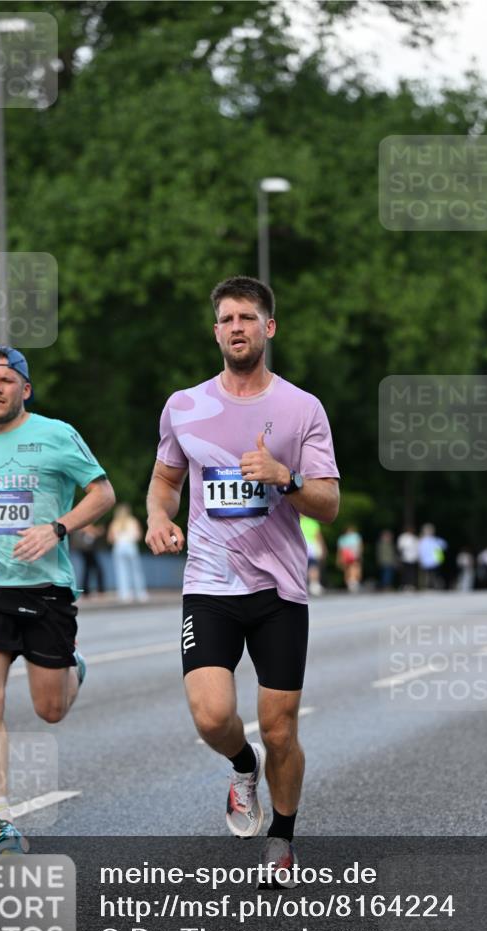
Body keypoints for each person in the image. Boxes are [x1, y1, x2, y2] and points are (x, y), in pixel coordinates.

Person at [145, 276, 339, 882]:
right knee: (210, 715)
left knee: (282, 730)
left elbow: (328, 503)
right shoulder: (185, 406)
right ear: (216, 331)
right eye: (227, 318)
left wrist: (284, 476)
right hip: (210, 583)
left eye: (248, 318)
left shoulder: (301, 408)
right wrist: (156, 517)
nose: (237, 327)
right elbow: (166, 482)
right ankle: (240, 763)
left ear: (268, 328)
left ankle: (281, 836)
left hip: (280, 591)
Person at [0, 347, 115, 854]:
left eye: (6, 381)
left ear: (25, 390)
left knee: (50, 710)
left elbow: (102, 494)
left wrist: (58, 527)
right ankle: (2, 822)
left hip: (45, 589)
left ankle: (71, 667)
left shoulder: (57, 435)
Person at [108, 502, 149, 602]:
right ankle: (140, 593)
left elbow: (110, 538)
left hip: (118, 547)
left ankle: (125, 594)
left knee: (121, 571)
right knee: (136, 570)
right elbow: (139, 536)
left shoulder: (115, 523)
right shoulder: (133, 521)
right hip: (130, 546)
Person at [72, 523, 106, 597]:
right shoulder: (85, 523)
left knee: (87, 569)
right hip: (87, 550)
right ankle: (99, 590)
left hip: (86, 550)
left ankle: (86, 591)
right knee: (97, 569)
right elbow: (90, 529)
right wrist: (98, 530)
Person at [300, 515, 326, 597]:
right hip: (311, 546)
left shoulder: (295, 520)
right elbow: (318, 537)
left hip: (302, 546)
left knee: (305, 567)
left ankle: (309, 585)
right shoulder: (313, 522)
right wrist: (322, 548)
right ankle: (314, 584)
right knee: (313, 566)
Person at [418, 523, 447, 589]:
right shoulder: (422, 541)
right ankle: (427, 586)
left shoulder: (436, 540)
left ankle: (435, 586)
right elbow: (420, 551)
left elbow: (444, 546)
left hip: (435, 561)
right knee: (427, 575)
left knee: (435, 574)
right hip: (426, 561)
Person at [336, 524, 363, 592]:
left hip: (354, 555)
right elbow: (340, 550)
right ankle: (351, 582)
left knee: (355, 568)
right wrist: (339, 558)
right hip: (347, 556)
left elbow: (360, 546)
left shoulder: (356, 536)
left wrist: (359, 554)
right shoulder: (342, 538)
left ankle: (353, 582)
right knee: (348, 569)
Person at [396, 525, 419, 591]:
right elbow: (400, 547)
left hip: (413, 558)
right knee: (405, 572)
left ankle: (411, 585)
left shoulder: (414, 538)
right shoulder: (403, 537)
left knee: (412, 572)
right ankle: (405, 585)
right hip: (405, 558)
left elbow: (417, 548)